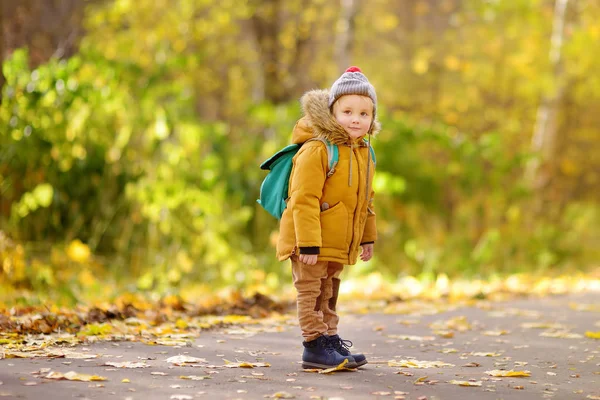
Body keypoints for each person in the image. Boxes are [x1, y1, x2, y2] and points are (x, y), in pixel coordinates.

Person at [276, 66, 379, 369]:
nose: (356, 119)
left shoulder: (363, 153)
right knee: (311, 292)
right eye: (348, 111)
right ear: (332, 111)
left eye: (364, 113)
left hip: (335, 242)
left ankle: (330, 339)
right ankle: (313, 344)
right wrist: (307, 243)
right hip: (308, 242)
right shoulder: (318, 149)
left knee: (330, 290)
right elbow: (303, 199)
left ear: (372, 118)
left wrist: (366, 237)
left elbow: (366, 201)